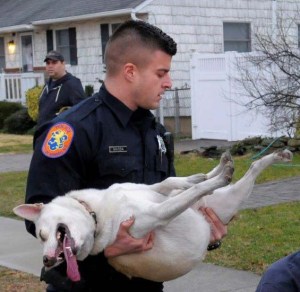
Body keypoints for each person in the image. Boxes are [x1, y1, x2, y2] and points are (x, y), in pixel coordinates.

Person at [25, 20, 227, 292]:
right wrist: (106, 245)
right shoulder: (73, 131)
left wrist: (205, 232)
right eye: (161, 73)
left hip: (147, 284)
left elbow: (165, 203)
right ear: (130, 71)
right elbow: (39, 216)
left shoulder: (156, 133)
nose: (169, 83)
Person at [36, 50, 86, 128]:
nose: (50, 66)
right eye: (48, 63)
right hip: (43, 134)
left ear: (63, 64)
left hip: (60, 136)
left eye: (54, 62)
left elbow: (82, 112)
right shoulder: (47, 85)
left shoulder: (72, 84)